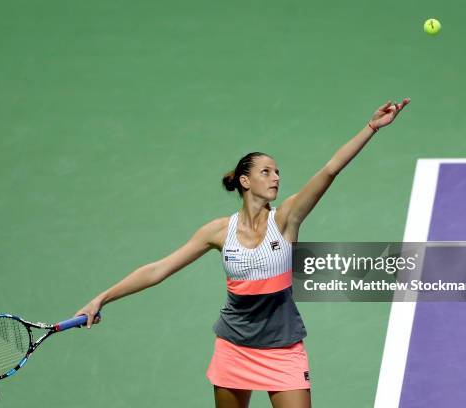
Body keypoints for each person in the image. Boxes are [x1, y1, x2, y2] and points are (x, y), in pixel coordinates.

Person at [74, 98, 410, 408]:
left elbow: (330, 169)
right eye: (266, 171)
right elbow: (158, 269)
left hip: (283, 349)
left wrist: (371, 128)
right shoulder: (219, 231)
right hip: (234, 348)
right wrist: (102, 298)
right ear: (245, 181)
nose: (276, 177)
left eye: (278, 171)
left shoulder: (287, 218)